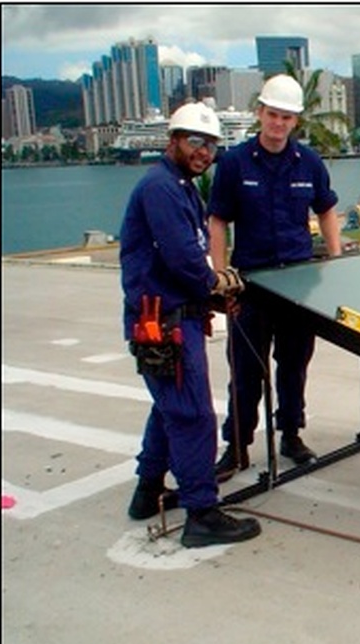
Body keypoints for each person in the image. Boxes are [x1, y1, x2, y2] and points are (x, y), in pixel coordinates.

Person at [120, 102, 261, 548]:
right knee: (192, 415)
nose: (203, 152)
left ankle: (147, 491)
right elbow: (183, 260)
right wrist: (216, 284)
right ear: (174, 141)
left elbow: (186, 259)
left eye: (211, 145)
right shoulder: (161, 188)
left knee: (169, 407)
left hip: (176, 316)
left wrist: (213, 297)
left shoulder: (181, 187)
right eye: (195, 141)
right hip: (166, 322)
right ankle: (202, 513)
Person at [208, 74, 342, 482]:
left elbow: (327, 210)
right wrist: (219, 274)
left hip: (300, 283)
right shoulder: (235, 163)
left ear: (295, 121)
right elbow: (217, 221)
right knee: (246, 369)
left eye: (286, 117)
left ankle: (290, 434)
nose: (278, 123)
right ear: (259, 114)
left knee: (294, 364)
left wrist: (336, 261)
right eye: (272, 114)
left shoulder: (309, 163)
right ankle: (236, 446)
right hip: (253, 285)